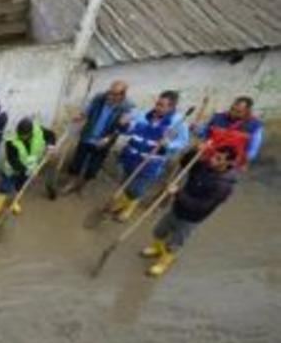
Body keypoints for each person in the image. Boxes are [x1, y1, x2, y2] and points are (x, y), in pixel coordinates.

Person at [140, 145, 237, 277]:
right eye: (214, 155)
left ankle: (164, 262)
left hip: (192, 217)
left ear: (228, 163)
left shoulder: (223, 186)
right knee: (159, 231)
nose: (213, 159)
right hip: (177, 207)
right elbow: (185, 162)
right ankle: (157, 248)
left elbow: (201, 206)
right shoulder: (203, 166)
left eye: (219, 158)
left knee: (174, 242)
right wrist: (195, 150)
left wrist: (178, 193)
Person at [112, 90, 189, 222]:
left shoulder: (178, 123)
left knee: (136, 188)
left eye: (162, 105)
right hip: (130, 156)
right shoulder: (144, 115)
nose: (157, 107)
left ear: (171, 107)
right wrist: (123, 124)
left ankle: (129, 208)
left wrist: (168, 144)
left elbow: (182, 142)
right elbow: (130, 130)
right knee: (125, 182)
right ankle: (123, 202)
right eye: (157, 103)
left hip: (150, 162)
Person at [62, 80, 134, 195]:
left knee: (93, 167)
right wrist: (79, 116)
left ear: (122, 95)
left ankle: (81, 187)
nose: (110, 96)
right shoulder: (99, 99)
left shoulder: (127, 108)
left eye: (115, 94)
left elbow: (122, 130)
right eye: (110, 92)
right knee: (77, 162)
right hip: (88, 136)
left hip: (104, 141)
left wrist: (121, 126)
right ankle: (71, 183)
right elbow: (87, 111)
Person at [0, 117, 56, 221]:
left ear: (30, 132)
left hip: (30, 168)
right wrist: (26, 170)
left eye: (24, 136)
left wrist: (50, 146)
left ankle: (15, 203)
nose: (21, 137)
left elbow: (51, 135)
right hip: (12, 169)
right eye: (20, 135)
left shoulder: (38, 130)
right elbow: (13, 160)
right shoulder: (11, 141)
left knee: (20, 187)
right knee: (4, 188)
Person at [194, 96, 263, 167]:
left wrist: (234, 162)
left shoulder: (254, 125)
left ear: (247, 112)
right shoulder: (217, 117)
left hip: (231, 163)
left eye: (238, 112)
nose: (233, 113)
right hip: (209, 157)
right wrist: (196, 128)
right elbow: (203, 133)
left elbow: (252, 150)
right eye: (232, 109)